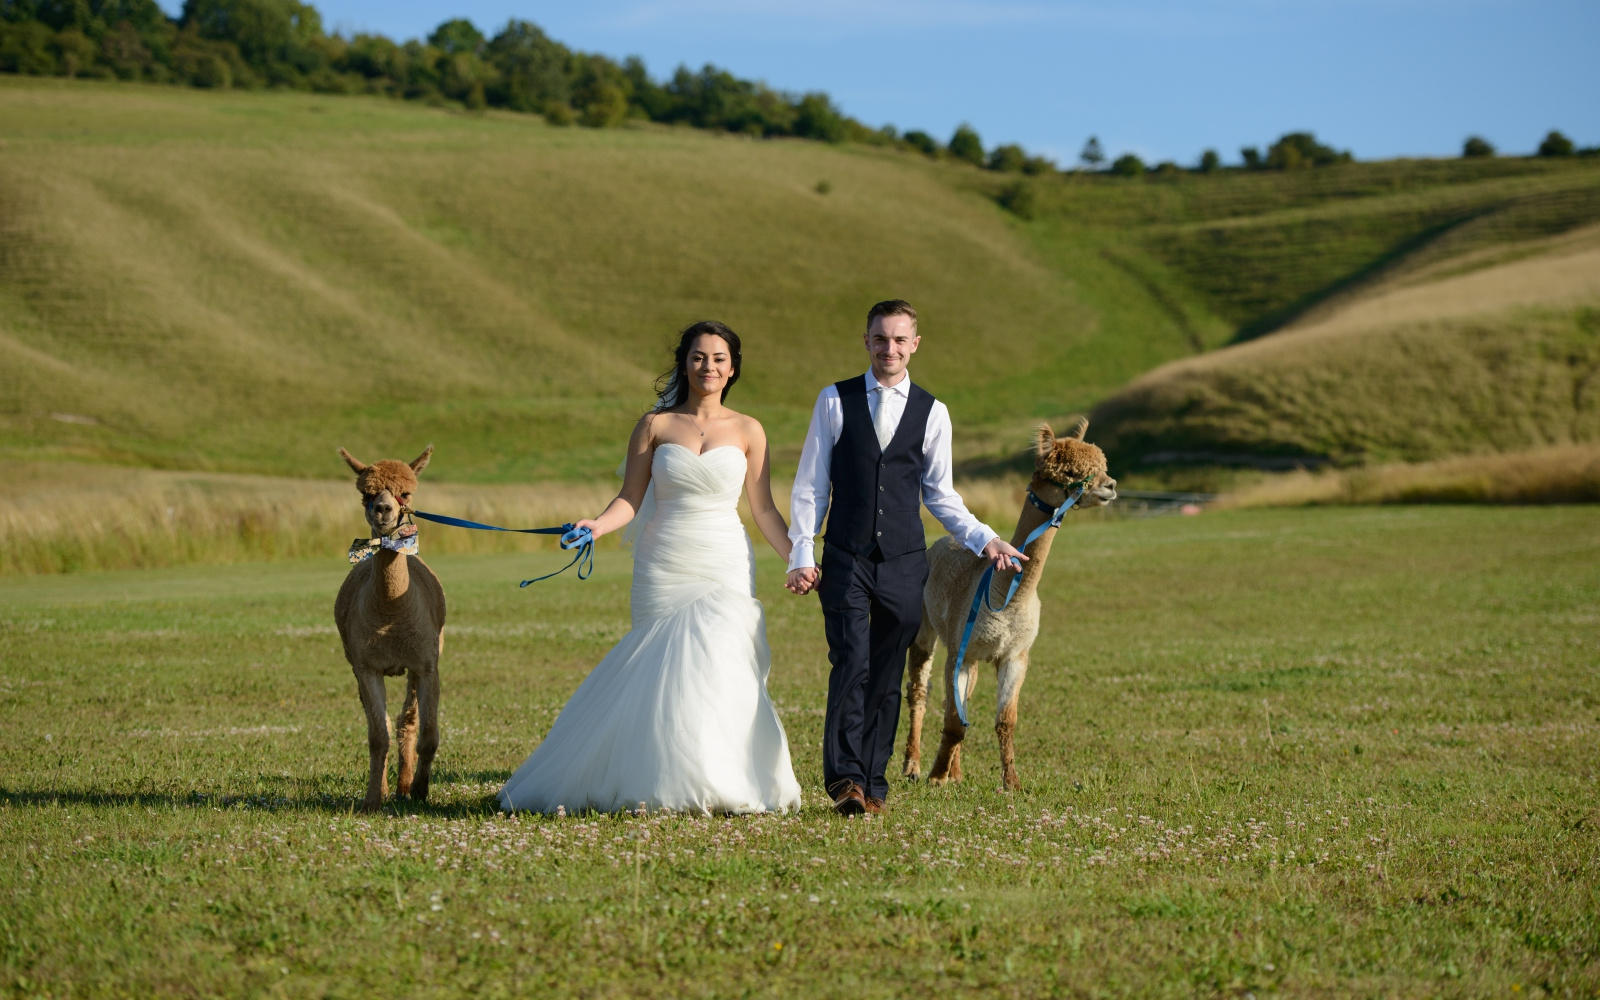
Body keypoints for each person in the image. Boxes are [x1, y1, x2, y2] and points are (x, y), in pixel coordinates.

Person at [499, 321, 803, 815]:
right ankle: (654, 777)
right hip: (664, 561)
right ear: (685, 363)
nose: (709, 367)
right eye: (699, 357)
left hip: (723, 558)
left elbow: (764, 509)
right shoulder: (654, 425)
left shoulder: (749, 430)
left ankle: (722, 778)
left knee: (721, 662)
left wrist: (798, 558)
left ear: (733, 368)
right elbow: (629, 499)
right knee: (660, 670)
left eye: (719, 358)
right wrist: (596, 526)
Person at [785, 299, 1026, 816]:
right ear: (866, 341)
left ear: (915, 344)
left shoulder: (933, 412)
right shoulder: (834, 400)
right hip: (845, 557)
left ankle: (874, 783)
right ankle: (846, 781)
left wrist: (986, 539)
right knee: (850, 662)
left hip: (904, 562)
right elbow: (810, 486)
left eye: (899, 339)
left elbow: (941, 494)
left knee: (889, 670)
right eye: (879, 338)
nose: (888, 348)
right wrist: (801, 551)